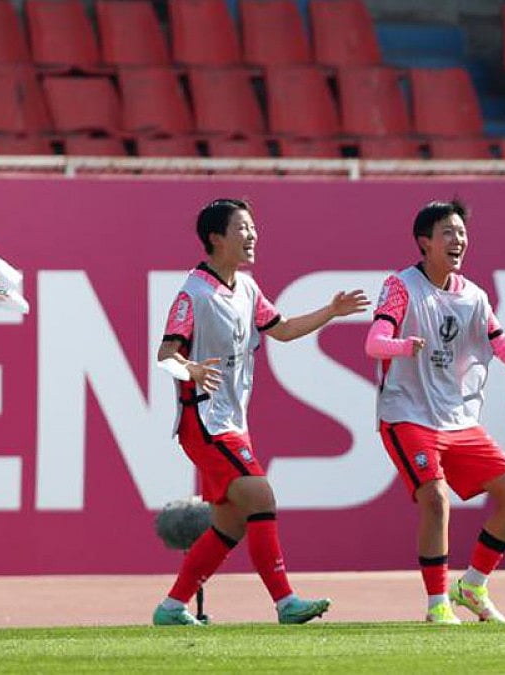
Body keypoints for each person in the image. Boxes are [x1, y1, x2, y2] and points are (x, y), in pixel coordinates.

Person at [152, 198, 370, 626]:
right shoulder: (193, 293)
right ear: (217, 238)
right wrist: (190, 368)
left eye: (252, 228)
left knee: (230, 524)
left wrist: (331, 311)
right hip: (205, 421)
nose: (252, 236)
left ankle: (172, 607)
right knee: (262, 497)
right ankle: (285, 602)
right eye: (242, 228)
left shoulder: (247, 289)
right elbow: (165, 353)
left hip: (232, 421)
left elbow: (283, 330)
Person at [366, 199, 505, 624]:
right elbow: (374, 342)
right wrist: (401, 346)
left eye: (461, 232)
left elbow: (501, 344)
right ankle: (438, 604)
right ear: (425, 243)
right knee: (435, 498)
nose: (459, 240)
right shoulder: (401, 286)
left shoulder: (473, 295)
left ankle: (471, 585)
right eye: (448, 233)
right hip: (408, 414)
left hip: (458, 420)